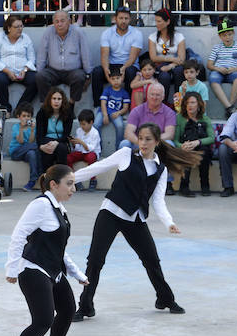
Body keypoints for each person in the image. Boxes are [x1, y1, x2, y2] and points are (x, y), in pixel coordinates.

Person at [72, 123, 200, 322]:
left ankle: (165, 299)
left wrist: (169, 222)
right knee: (95, 261)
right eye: (140, 138)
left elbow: (158, 201)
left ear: (157, 142)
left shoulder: (161, 169)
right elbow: (98, 167)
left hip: (136, 218)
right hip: (111, 213)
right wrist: (68, 178)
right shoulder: (125, 154)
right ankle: (86, 306)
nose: (143, 143)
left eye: (148, 139)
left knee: (152, 260)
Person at [0, 164, 88, 336]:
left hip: (53, 270)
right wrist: (11, 269)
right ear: (53, 185)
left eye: (74, 183)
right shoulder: (40, 205)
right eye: (69, 184)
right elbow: (18, 235)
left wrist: (77, 273)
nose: (74, 189)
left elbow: (58, 248)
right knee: (43, 320)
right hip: (33, 269)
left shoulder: (59, 208)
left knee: (68, 309)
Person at [35, 10, 92, 103]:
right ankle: (47, 106)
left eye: (62, 21)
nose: (59, 24)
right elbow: (42, 54)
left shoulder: (78, 32)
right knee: (41, 76)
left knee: (79, 76)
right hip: (53, 70)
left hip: (72, 71)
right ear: (53, 23)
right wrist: (39, 71)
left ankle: (71, 104)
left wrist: (88, 73)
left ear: (69, 22)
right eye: (56, 21)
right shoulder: (48, 32)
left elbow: (85, 53)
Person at [91, 7, 142, 97]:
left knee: (130, 72)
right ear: (115, 19)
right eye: (121, 18)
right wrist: (107, 73)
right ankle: (97, 106)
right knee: (97, 72)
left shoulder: (136, 34)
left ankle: (129, 105)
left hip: (129, 65)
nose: (123, 21)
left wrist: (123, 68)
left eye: (126, 18)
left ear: (130, 19)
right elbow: (104, 56)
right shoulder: (107, 33)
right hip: (112, 65)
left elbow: (132, 58)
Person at [0, 15, 37, 112]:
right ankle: (6, 108)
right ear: (9, 28)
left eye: (21, 26)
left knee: (37, 79)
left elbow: (32, 58)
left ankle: (20, 109)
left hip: (22, 72)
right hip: (5, 71)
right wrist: (7, 71)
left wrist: (25, 70)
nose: (20, 29)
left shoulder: (26, 38)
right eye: (16, 27)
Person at [174, 91, 214, 197]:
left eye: (192, 103)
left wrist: (198, 142)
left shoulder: (205, 119)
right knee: (187, 152)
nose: (189, 106)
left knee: (204, 151)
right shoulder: (179, 118)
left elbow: (212, 138)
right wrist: (181, 146)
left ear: (199, 104)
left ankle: (205, 185)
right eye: (187, 103)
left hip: (200, 146)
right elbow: (175, 140)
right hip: (185, 147)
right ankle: (184, 187)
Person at [207, 19, 237, 118]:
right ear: (220, 36)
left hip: (233, 71)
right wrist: (218, 69)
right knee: (213, 79)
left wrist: (234, 69)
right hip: (219, 71)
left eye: (229, 34)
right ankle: (230, 107)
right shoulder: (217, 48)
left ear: (233, 33)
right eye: (224, 35)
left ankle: (229, 107)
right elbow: (209, 65)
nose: (227, 37)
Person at [148, 8, 187, 103]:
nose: (156, 24)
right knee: (164, 76)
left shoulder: (179, 36)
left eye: (159, 21)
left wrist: (170, 65)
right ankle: (163, 103)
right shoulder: (152, 37)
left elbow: (181, 59)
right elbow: (153, 57)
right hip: (160, 65)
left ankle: (179, 104)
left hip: (175, 65)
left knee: (179, 71)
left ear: (168, 21)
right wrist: (171, 59)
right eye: (156, 21)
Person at [122, 82, 176, 150]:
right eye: (152, 94)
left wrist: (151, 141)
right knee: (124, 143)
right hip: (138, 144)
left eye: (158, 95)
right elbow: (128, 133)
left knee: (169, 143)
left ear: (163, 97)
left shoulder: (169, 113)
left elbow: (169, 134)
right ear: (147, 95)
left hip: (158, 144)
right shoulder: (137, 110)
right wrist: (141, 143)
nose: (154, 97)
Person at [36, 87, 74, 170]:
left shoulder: (68, 113)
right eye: (54, 98)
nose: (56, 101)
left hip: (61, 140)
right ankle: (47, 175)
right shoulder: (42, 112)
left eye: (59, 99)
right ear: (50, 100)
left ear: (62, 101)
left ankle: (61, 174)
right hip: (46, 139)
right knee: (47, 147)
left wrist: (56, 142)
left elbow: (66, 134)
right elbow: (39, 133)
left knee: (61, 148)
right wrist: (41, 146)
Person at [96, 67, 131, 151]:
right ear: (109, 80)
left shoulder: (124, 93)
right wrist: (105, 115)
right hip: (103, 112)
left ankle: (118, 148)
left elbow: (126, 108)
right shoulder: (107, 90)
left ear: (122, 78)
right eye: (113, 79)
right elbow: (103, 103)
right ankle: (98, 146)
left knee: (120, 126)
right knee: (96, 125)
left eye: (118, 78)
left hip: (115, 112)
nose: (115, 81)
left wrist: (118, 113)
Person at [9, 102, 40, 192]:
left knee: (32, 153)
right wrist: (21, 129)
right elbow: (21, 141)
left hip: (27, 152)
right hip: (16, 152)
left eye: (28, 116)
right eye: (24, 116)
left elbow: (30, 141)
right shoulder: (16, 127)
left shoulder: (32, 127)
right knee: (36, 147)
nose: (26, 118)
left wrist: (32, 130)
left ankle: (32, 180)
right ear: (19, 117)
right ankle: (41, 171)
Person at [68, 109, 100, 190]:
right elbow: (78, 148)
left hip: (91, 152)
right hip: (81, 152)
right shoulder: (79, 130)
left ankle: (93, 180)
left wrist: (81, 142)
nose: (82, 126)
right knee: (68, 158)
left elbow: (91, 148)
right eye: (81, 124)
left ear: (91, 122)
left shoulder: (95, 133)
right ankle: (75, 179)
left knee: (91, 158)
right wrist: (74, 143)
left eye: (84, 124)